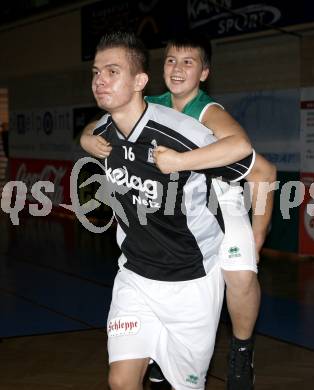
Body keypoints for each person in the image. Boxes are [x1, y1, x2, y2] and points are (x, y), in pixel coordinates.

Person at [81, 33, 276, 389]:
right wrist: (85, 136)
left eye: (189, 62)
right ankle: (157, 349)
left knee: (240, 269)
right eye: (171, 60)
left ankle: (241, 350)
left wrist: (257, 234)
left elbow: (256, 164)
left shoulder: (205, 116)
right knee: (121, 381)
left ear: (204, 73)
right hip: (142, 265)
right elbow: (105, 120)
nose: (177, 69)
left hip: (217, 200)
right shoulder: (142, 103)